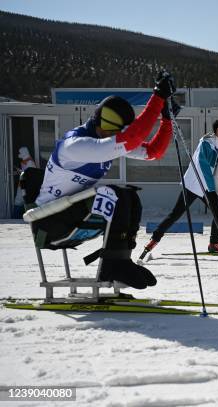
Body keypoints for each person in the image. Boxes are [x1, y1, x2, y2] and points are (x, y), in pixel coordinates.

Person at [31, 70, 178, 289]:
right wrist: (157, 97)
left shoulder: (103, 139)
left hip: (69, 213)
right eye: (114, 132)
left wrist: (166, 121)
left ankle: (120, 261)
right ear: (103, 123)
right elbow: (131, 139)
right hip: (49, 223)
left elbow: (153, 152)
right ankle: (113, 267)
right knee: (116, 195)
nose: (115, 138)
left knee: (130, 196)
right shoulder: (75, 145)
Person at [141, 117, 218, 257]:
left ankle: (213, 243)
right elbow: (203, 166)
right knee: (176, 214)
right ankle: (154, 239)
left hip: (206, 186)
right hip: (194, 184)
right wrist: (211, 188)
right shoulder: (206, 144)